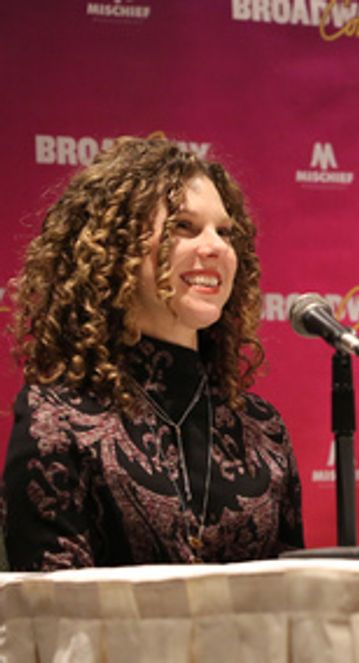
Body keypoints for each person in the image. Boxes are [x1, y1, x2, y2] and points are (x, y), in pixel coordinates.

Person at [2, 136, 304, 571]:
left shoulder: (262, 430)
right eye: (184, 226)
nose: (215, 247)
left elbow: (297, 604)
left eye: (224, 231)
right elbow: (54, 622)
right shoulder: (59, 420)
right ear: (114, 249)